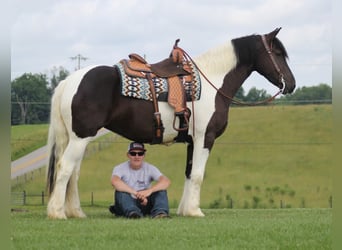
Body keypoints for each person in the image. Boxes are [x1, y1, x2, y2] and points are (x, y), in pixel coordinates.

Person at [109, 142, 171, 219]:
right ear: (128, 155)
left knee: (161, 191)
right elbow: (115, 182)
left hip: (145, 203)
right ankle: (133, 214)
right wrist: (136, 194)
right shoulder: (119, 168)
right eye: (133, 153)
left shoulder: (150, 168)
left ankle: (160, 213)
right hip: (127, 202)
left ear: (144, 155)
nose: (137, 156)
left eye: (140, 153)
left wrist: (149, 191)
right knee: (120, 192)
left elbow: (166, 181)